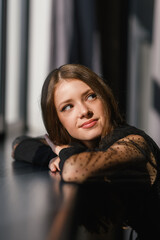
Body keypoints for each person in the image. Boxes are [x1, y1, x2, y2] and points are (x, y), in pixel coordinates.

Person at [12, 64, 160, 188]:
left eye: (91, 97)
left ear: (104, 97)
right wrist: (54, 156)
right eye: (68, 107)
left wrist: (65, 154)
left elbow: (75, 170)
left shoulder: (133, 141)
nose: (84, 111)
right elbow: (19, 144)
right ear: (57, 121)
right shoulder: (78, 143)